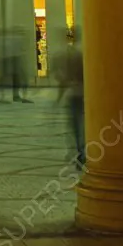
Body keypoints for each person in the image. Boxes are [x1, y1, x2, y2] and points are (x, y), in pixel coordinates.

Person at [53, 39, 85, 167]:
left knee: (75, 126)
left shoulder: (71, 55)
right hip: (81, 94)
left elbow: (63, 80)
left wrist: (58, 99)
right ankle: (81, 152)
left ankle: (79, 152)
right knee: (80, 125)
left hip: (74, 95)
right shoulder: (81, 54)